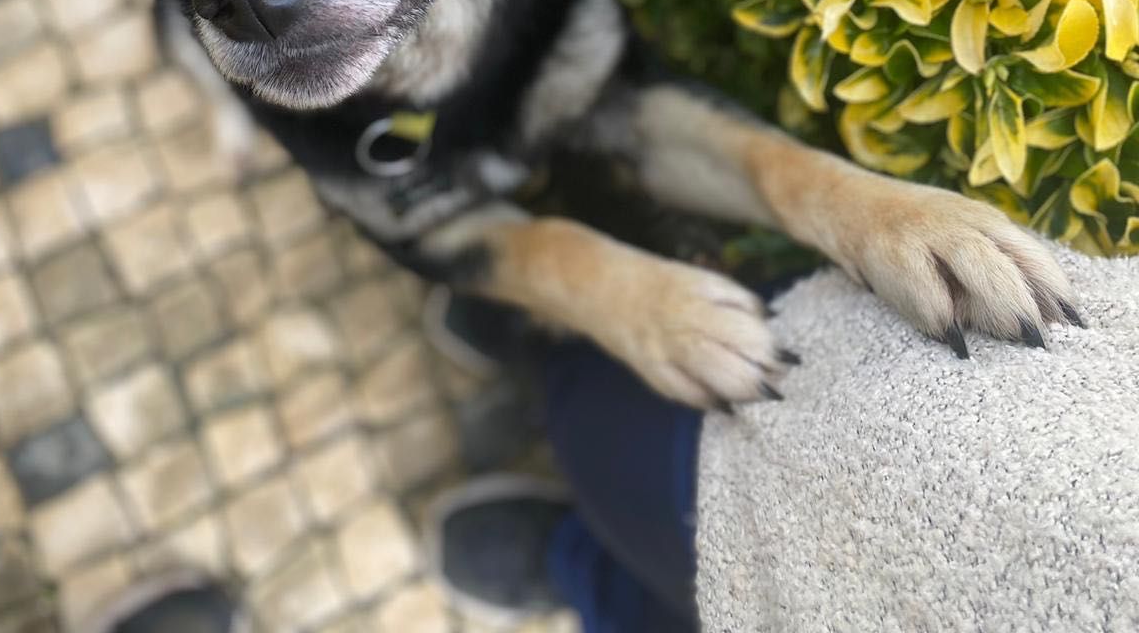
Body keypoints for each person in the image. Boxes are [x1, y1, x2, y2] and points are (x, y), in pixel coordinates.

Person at [429, 240, 1139, 632]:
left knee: (616, 463)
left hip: (774, 577)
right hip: (885, 415)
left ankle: (577, 564)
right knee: (611, 405)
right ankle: (558, 347)